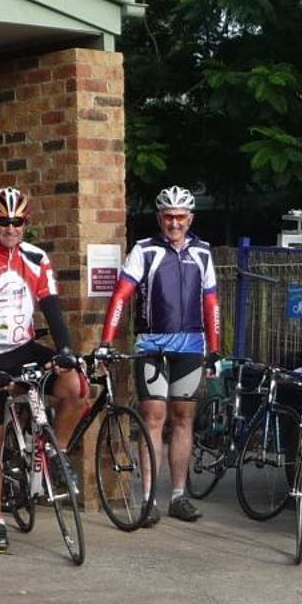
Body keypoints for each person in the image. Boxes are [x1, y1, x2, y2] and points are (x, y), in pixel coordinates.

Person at [0, 187, 86, 554]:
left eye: (17, 222)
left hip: (23, 346)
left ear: (26, 223)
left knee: (76, 387)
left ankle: (51, 453)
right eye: (3, 222)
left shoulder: (36, 257)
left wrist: (64, 350)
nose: (10, 228)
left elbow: (52, 309)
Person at [99, 184, 221, 525]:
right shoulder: (144, 250)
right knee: (153, 417)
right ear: (159, 218)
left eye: (180, 217)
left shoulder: (203, 252)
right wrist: (107, 340)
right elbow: (121, 296)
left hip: (191, 345)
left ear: (190, 218)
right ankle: (150, 496)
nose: (174, 223)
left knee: (183, 419)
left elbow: (211, 302)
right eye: (168, 217)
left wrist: (215, 349)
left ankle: (179, 496)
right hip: (152, 344)